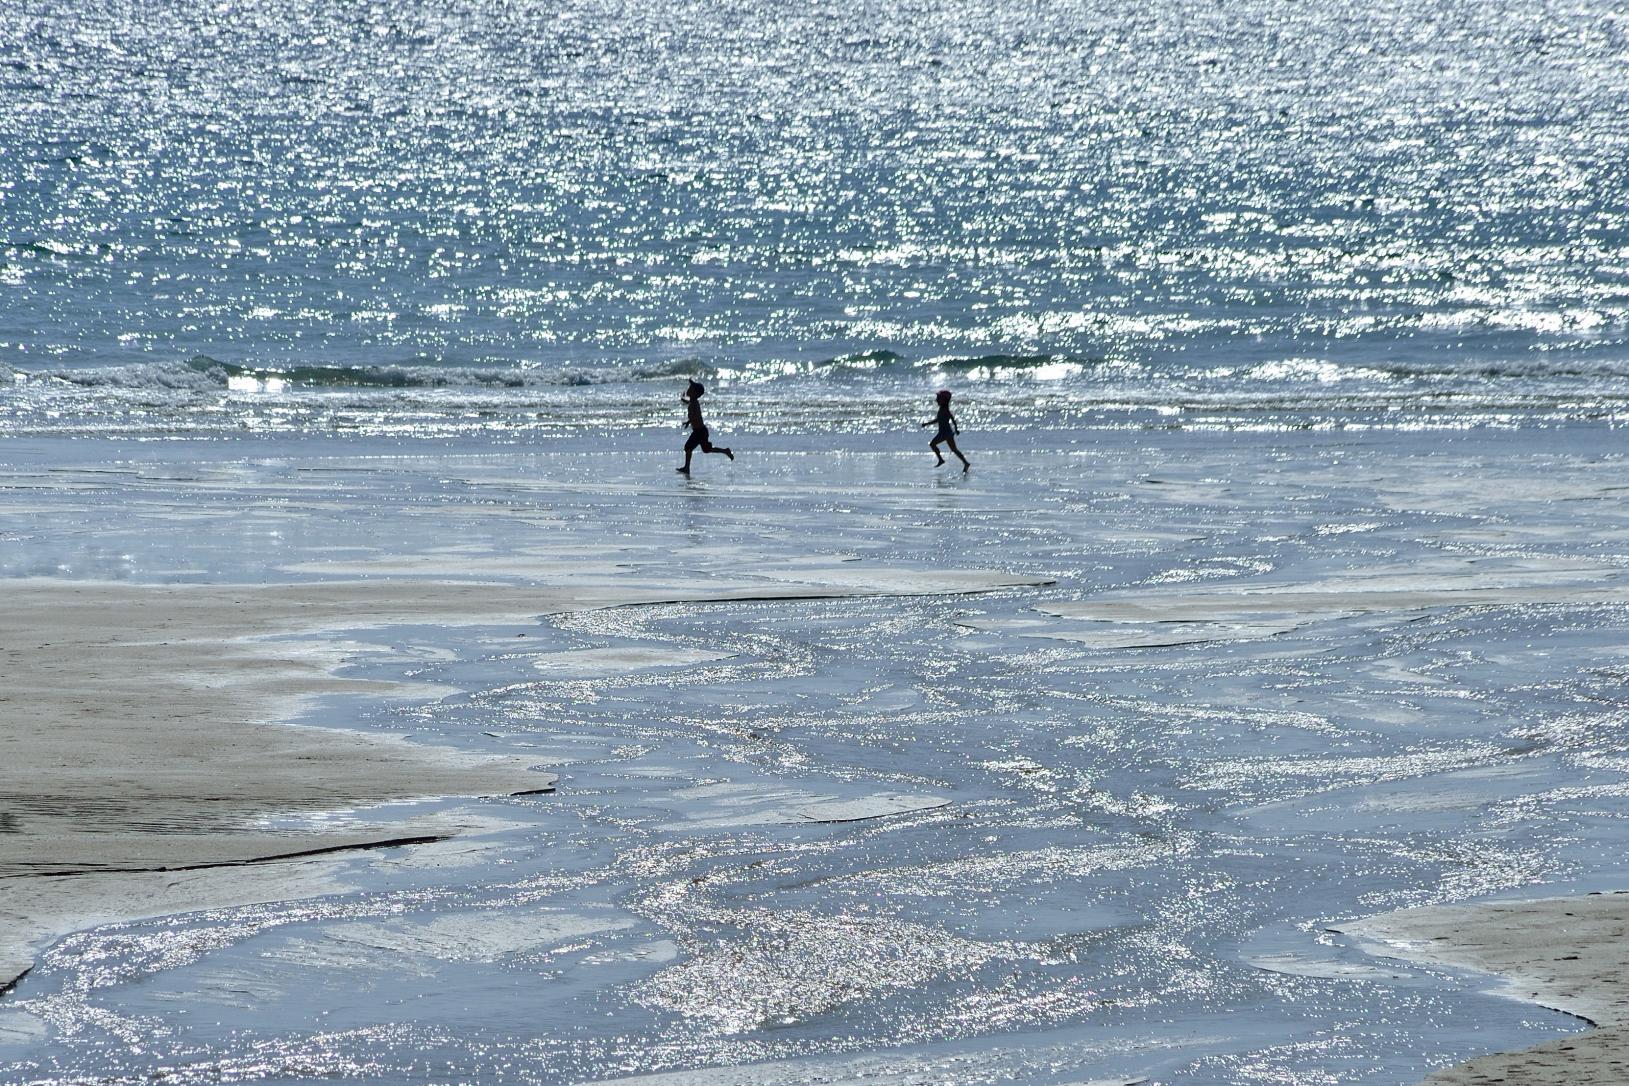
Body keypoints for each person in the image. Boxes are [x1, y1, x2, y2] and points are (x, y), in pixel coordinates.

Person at [677, 379, 733, 473]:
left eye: (690, 388)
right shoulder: (693, 402)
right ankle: (725, 451)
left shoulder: (694, 403)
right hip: (700, 431)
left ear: (695, 393)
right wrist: (688, 422)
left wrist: (690, 421)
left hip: (699, 431)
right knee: (707, 449)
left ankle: (687, 467)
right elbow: (690, 407)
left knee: (688, 447)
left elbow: (695, 415)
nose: (688, 389)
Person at [921, 389, 969, 471]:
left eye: (938, 398)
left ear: (944, 400)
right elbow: (939, 420)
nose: (936, 400)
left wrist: (956, 429)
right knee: (954, 449)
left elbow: (952, 419)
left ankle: (940, 459)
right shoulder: (942, 409)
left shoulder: (945, 410)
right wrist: (927, 424)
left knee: (932, 444)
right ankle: (966, 463)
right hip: (948, 433)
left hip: (944, 433)